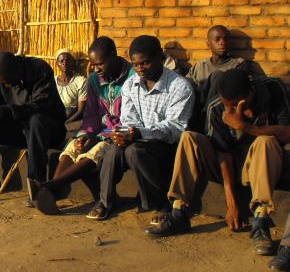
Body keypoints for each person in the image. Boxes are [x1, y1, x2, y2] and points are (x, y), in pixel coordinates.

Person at [148, 69, 290, 256]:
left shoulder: (273, 89)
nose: (227, 109)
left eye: (232, 105)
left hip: (264, 165)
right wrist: (231, 204)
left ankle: (261, 222)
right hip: (230, 165)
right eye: (225, 104)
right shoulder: (217, 106)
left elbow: (287, 132)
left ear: (247, 96)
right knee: (189, 137)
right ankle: (179, 212)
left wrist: (247, 127)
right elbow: (223, 154)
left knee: (265, 141)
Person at [90, 35, 195, 221]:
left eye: (145, 63)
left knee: (134, 151)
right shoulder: (131, 84)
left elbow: (175, 128)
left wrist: (139, 133)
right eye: (136, 65)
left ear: (159, 57)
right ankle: (106, 201)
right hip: (139, 139)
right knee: (114, 149)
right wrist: (124, 133)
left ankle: (161, 203)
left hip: (169, 145)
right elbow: (129, 118)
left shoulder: (180, 87)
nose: (140, 69)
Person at [35, 37, 135, 215]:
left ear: (114, 56)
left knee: (97, 150)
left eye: (100, 64)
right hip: (100, 130)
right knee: (74, 145)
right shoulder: (95, 80)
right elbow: (91, 115)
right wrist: (85, 134)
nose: (95, 69)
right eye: (93, 64)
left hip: (120, 133)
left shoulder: (132, 78)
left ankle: (51, 186)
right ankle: (52, 191)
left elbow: (130, 119)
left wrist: (99, 136)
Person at [0, 51, 66, 197]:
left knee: (36, 120)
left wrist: (6, 110)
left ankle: (36, 186)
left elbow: (41, 107)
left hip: (47, 131)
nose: (6, 84)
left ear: (18, 67)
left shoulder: (39, 69)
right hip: (20, 131)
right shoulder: (0, 77)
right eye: (2, 82)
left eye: (8, 81)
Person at [186, 25, 265, 87]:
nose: (222, 42)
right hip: (199, 105)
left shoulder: (238, 65)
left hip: (223, 106)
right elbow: (186, 85)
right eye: (217, 39)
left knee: (217, 76)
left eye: (226, 39)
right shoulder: (200, 66)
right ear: (208, 44)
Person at [54, 48, 87, 123]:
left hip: (73, 120)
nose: (64, 63)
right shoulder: (53, 81)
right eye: (61, 61)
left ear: (74, 62)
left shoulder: (80, 81)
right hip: (55, 119)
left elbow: (80, 111)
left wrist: (65, 123)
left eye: (68, 60)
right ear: (57, 64)